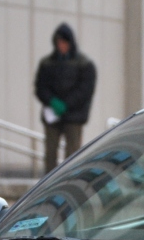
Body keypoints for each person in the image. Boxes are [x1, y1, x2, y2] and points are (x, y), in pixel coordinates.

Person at [34, 23, 97, 174]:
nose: (61, 46)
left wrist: (67, 104)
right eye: (59, 42)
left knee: (73, 154)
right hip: (52, 116)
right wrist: (51, 101)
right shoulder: (47, 63)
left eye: (64, 42)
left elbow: (85, 90)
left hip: (74, 116)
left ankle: (70, 180)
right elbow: (40, 87)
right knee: (50, 152)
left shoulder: (84, 64)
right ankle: (48, 184)